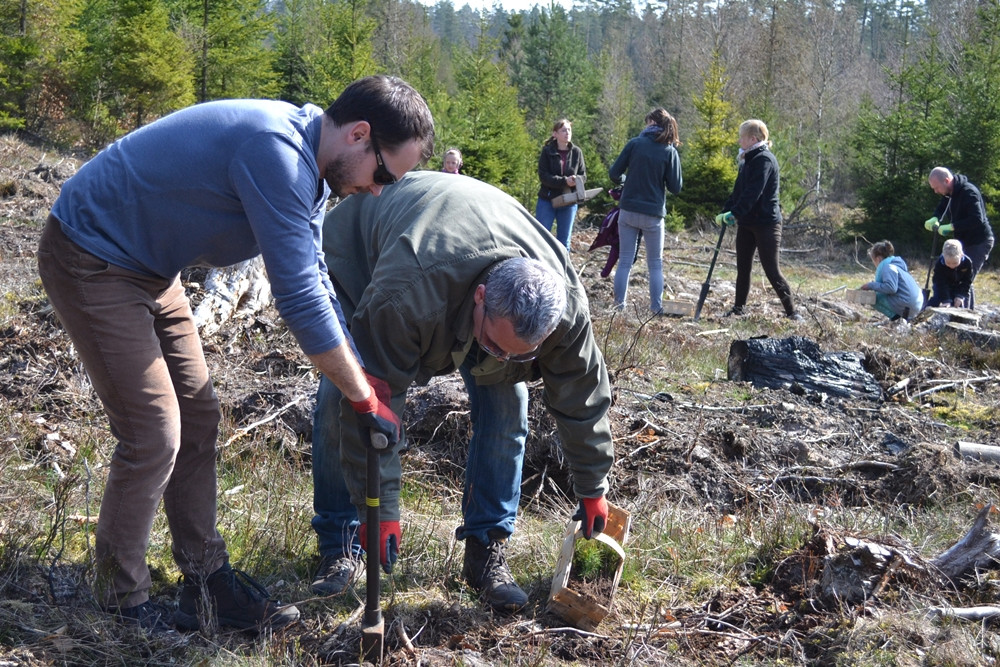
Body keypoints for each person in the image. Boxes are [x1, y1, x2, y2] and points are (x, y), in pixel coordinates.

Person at [35, 75, 435, 634]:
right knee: (154, 431)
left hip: (151, 270)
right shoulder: (276, 152)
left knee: (199, 417)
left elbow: (316, 275)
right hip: (92, 253)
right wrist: (362, 396)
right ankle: (119, 601)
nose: (377, 190)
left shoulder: (316, 172)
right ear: (359, 135)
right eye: (384, 174)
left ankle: (205, 578)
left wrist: (360, 371)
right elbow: (295, 297)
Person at [309, 171, 614, 613]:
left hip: (470, 254)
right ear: (481, 298)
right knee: (343, 392)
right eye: (493, 346)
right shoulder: (406, 294)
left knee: (509, 405)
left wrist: (592, 484)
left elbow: (581, 395)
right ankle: (341, 541)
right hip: (364, 255)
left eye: (520, 355)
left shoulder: (563, 308)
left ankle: (485, 549)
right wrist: (381, 510)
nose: (503, 359)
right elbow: (373, 405)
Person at [716, 119, 802, 321]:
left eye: (742, 137)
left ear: (753, 139)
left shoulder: (764, 160)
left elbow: (754, 192)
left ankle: (793, 312)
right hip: (747, 223)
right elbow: (739, 191)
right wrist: (727, 210)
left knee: (771, 269)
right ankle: (738, 309)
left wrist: (736, 213)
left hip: (766, 224)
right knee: (743, 268)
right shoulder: (747, 159)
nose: (739, 140)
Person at [608, 108, 683, 314]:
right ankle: (656, 309)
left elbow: (614, 173)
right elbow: (676, 187)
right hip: (653, 213)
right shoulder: (669, 151)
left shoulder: (635, 144)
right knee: (655, 264)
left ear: (651, 122)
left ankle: (618, 307)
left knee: (624, 261)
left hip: (629, 209)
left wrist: (626, 180)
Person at [925, 167, 994, 307]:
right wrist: (935, 218)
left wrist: (952, 227)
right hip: (963, 242)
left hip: (979, 242)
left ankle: (965, 317)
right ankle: (949, 308)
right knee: (951, 277)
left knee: (965, 279)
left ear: (946, 180)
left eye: (936, 187)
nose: (935, 191)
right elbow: (942, 207)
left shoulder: (969, 192)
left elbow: (977, 219)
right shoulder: (949, 193)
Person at [535, 118, 587, 249]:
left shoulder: (577, 152)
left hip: (569, 201)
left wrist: (576, 180)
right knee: (542, 239)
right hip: (548, 200)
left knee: (564, 242)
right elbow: (544, 176)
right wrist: (564, 181)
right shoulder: (547, 151)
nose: (567, 133)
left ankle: (563, 269)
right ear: (555, 134)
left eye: (569, 130)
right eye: (563, 130)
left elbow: (583, 175)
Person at [860, 240, 924, 320]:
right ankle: (900, 317)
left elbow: (891, 288)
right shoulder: (897, 266)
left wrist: (871, 285)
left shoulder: (888, 267)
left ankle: (897, 319)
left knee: (872, 298)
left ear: (878, 259)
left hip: (908, 305)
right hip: (916, 304)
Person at [927, 239, 974, 308]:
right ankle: (925, 310)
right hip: (942, 285)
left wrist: (960, 296)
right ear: (943, 256)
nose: (952, 266)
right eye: (948, 263)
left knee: (962, 302)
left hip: (959, 285)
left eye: (955, 263)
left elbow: (967, 281)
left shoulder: (967, 263)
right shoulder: (940, 264)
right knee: (937, 299)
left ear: (961, 255)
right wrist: (946, 300)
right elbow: (940, 282)